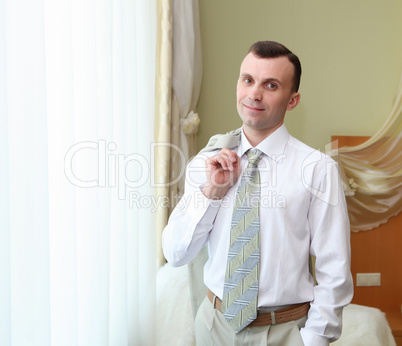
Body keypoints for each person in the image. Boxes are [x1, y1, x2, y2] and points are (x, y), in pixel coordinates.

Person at [162, 40, 353, 346]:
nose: (254, 93)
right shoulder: (206, 162)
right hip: (213, 327)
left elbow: (335, 269)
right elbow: (175, 254)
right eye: (248, 80)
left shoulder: (318, 169)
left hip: (285, 332)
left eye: (271, 85)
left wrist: (313, 339)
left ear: (292, 100)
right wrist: (212, 191)